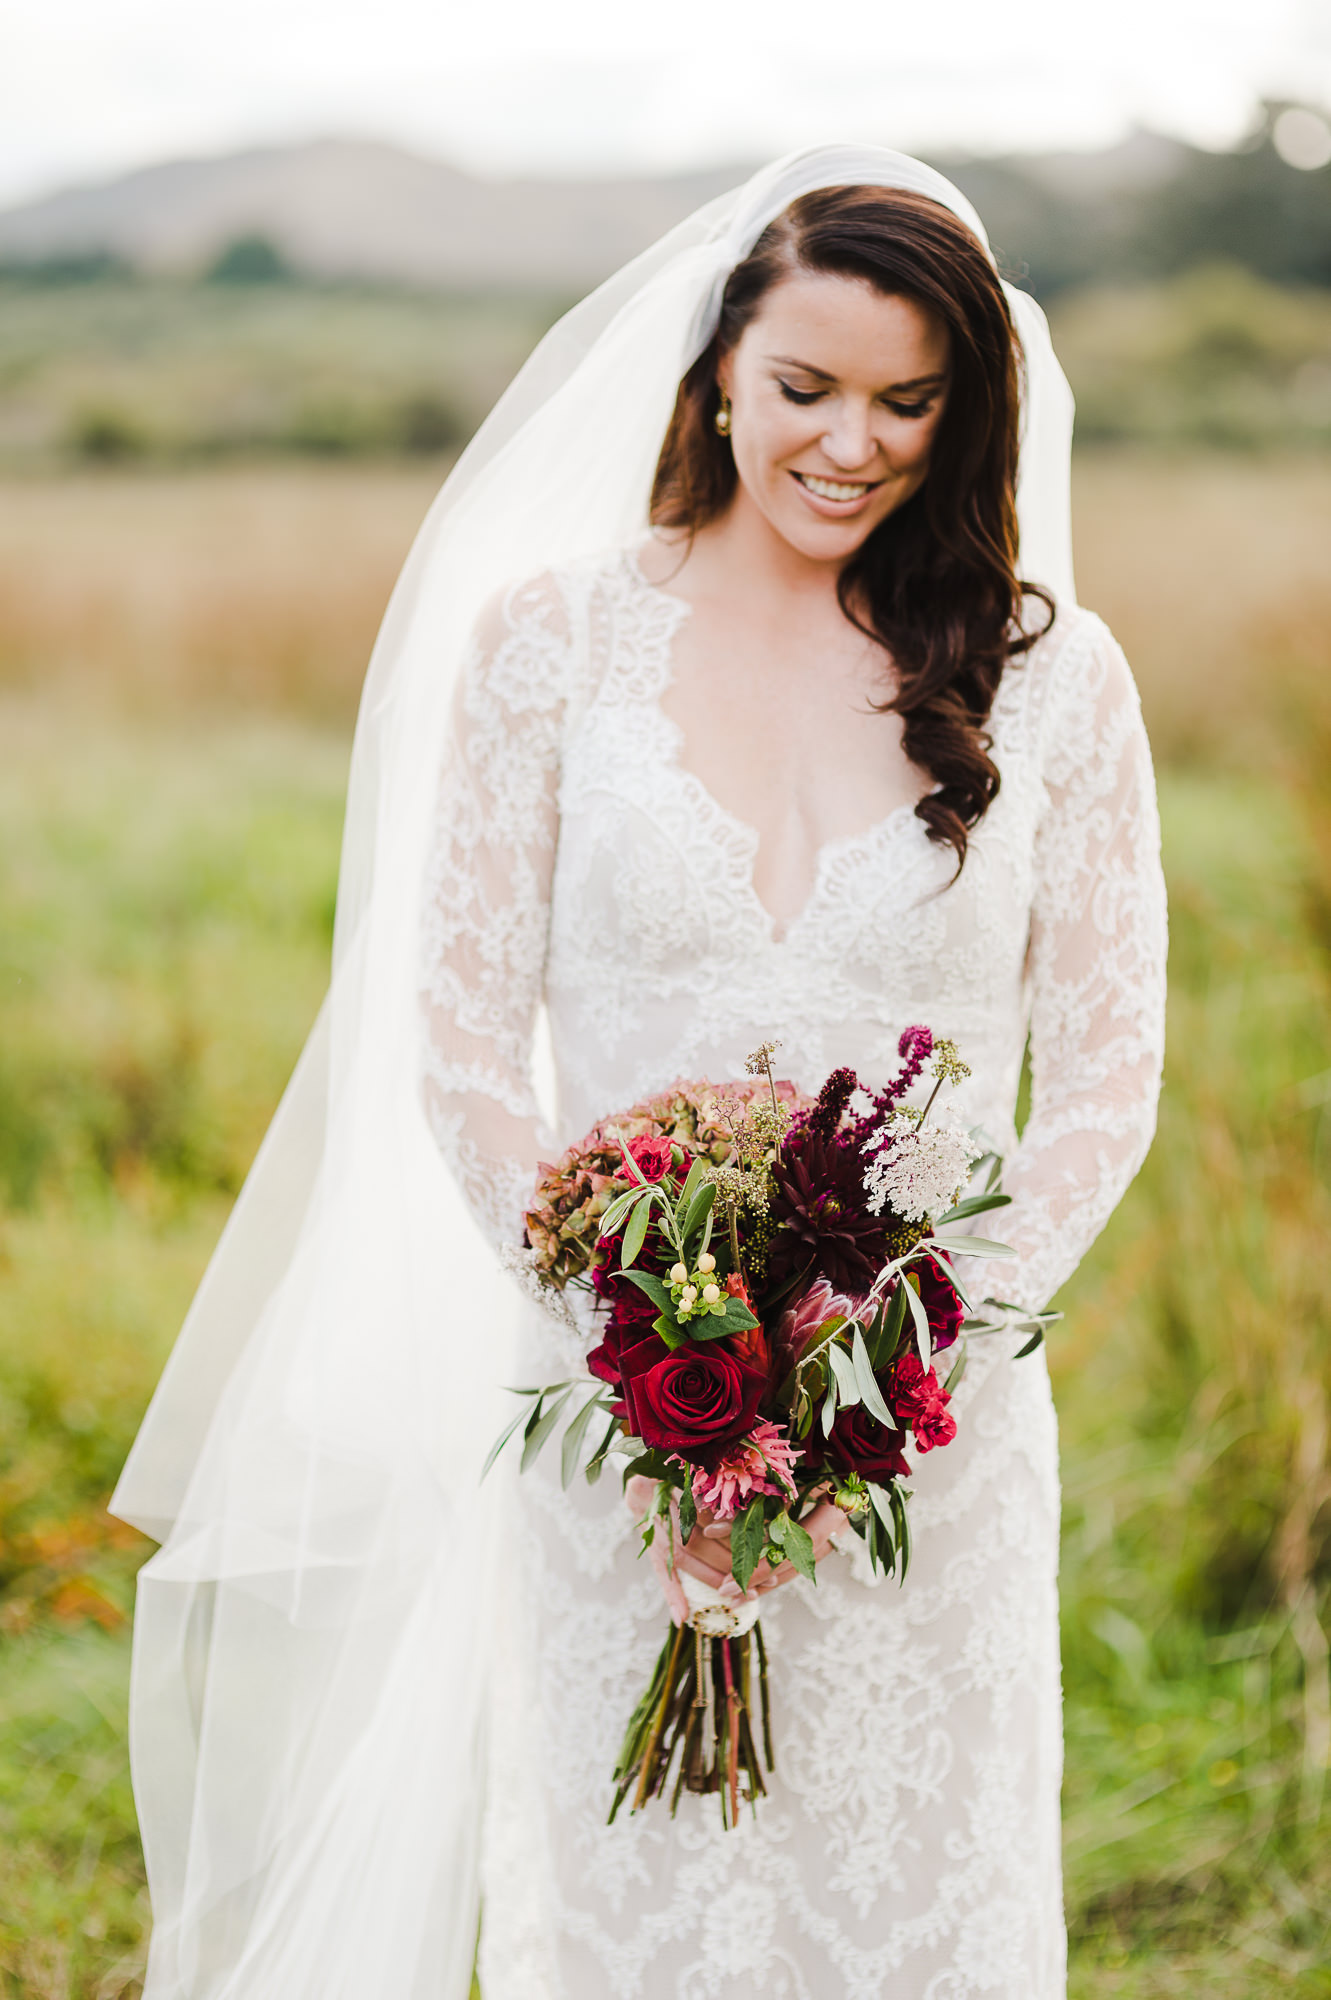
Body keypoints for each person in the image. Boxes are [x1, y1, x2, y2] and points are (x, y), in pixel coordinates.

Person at [113, 149, 1166, 2000]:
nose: (853, 442)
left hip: (928, 1427)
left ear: (971, 407)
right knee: (632, 1904)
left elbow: (1103, 1078)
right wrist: (650, 1359)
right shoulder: (552, 645)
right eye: (806, 389)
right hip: (615, 1416)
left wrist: (883, 1370)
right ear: (715, 377)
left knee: (912, 1899)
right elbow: (457, 1040)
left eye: (910, 401)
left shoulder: (1054, 680)